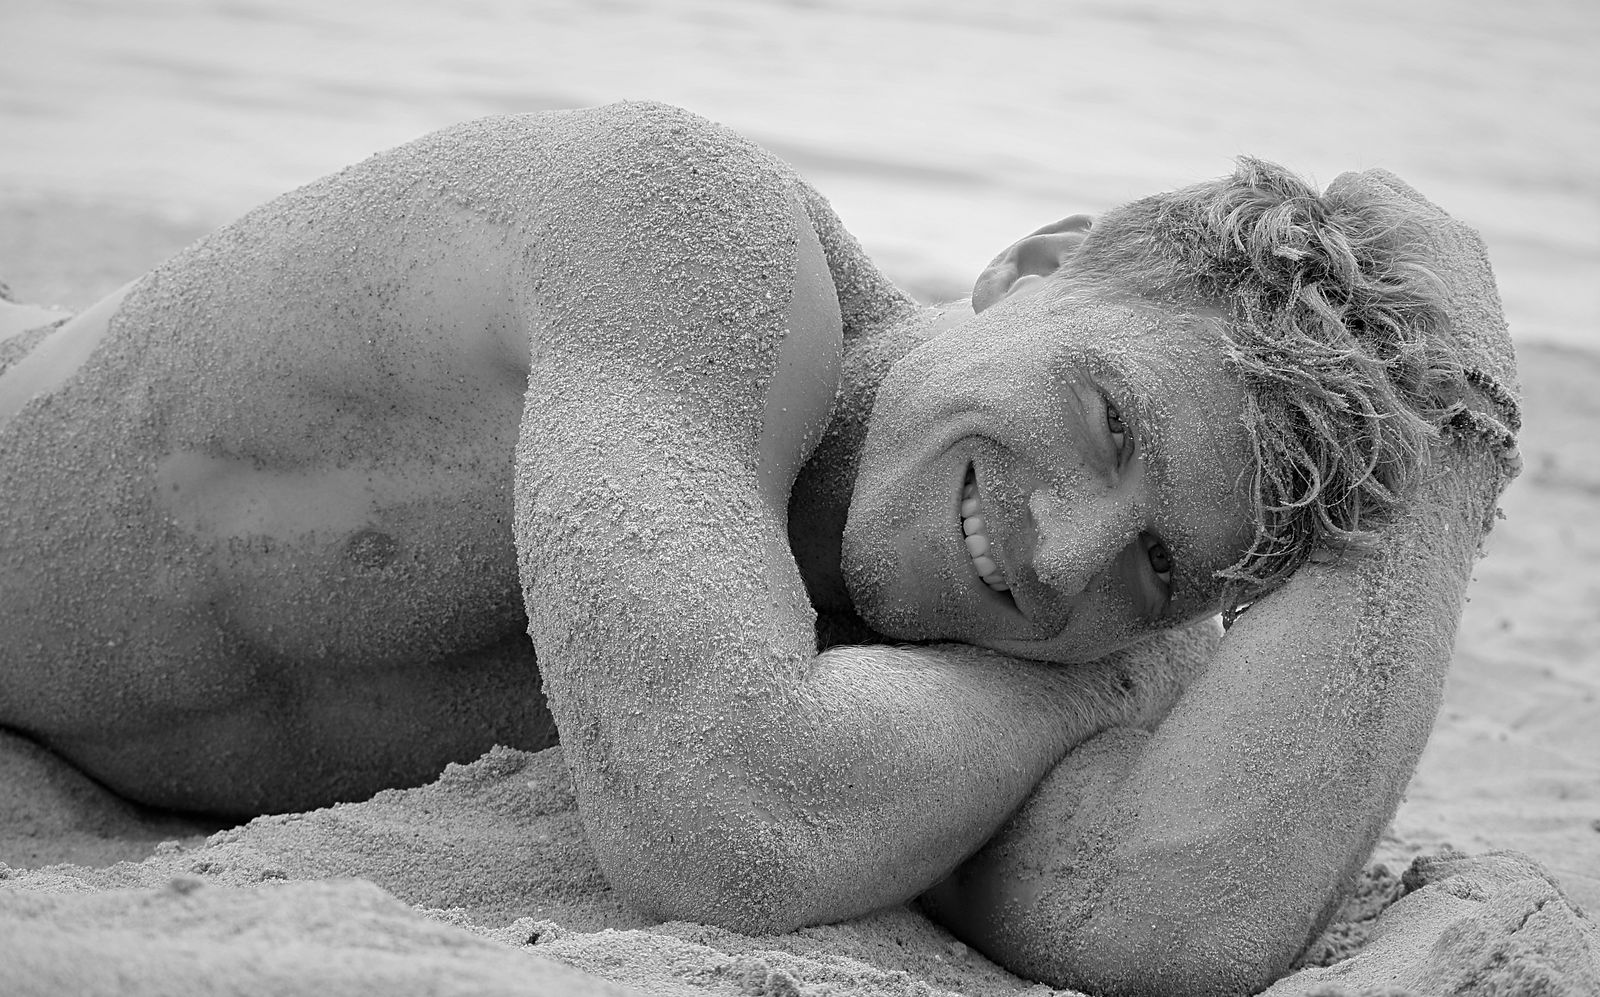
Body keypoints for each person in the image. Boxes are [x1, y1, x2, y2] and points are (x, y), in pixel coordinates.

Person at [0, 101, 1519, 994]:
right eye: (1105, 418)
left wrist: (1453, 448)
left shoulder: (1061, 635)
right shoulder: (683, 233)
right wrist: (1081, 698)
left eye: (1159, 569)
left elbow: (1159, 914)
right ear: (1034, 264)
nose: (1065, 555)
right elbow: (725, 813)